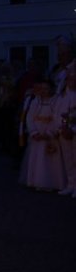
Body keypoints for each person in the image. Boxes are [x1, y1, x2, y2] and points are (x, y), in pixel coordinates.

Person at [18, 77, 66, 191]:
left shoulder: (56, 101)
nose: (44, 91)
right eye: (42, 88)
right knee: (37, 158)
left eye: (46, 89)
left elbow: (57, 117)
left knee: (50, 159)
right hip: (37, 132)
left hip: (49, 133)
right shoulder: (36, 101)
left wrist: (49, 132)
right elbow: (30, 117)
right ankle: (35, 180)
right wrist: (33, 131)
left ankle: (52, 182)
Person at [55, 69, 76, 197]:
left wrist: (72, 129)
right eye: (69, 78)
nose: (71, 81)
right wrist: (61, 128)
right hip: (64, 130)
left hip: (73, 130)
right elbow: (58, 113)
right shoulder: (62, 95)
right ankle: (71, 184)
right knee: (68, 159)